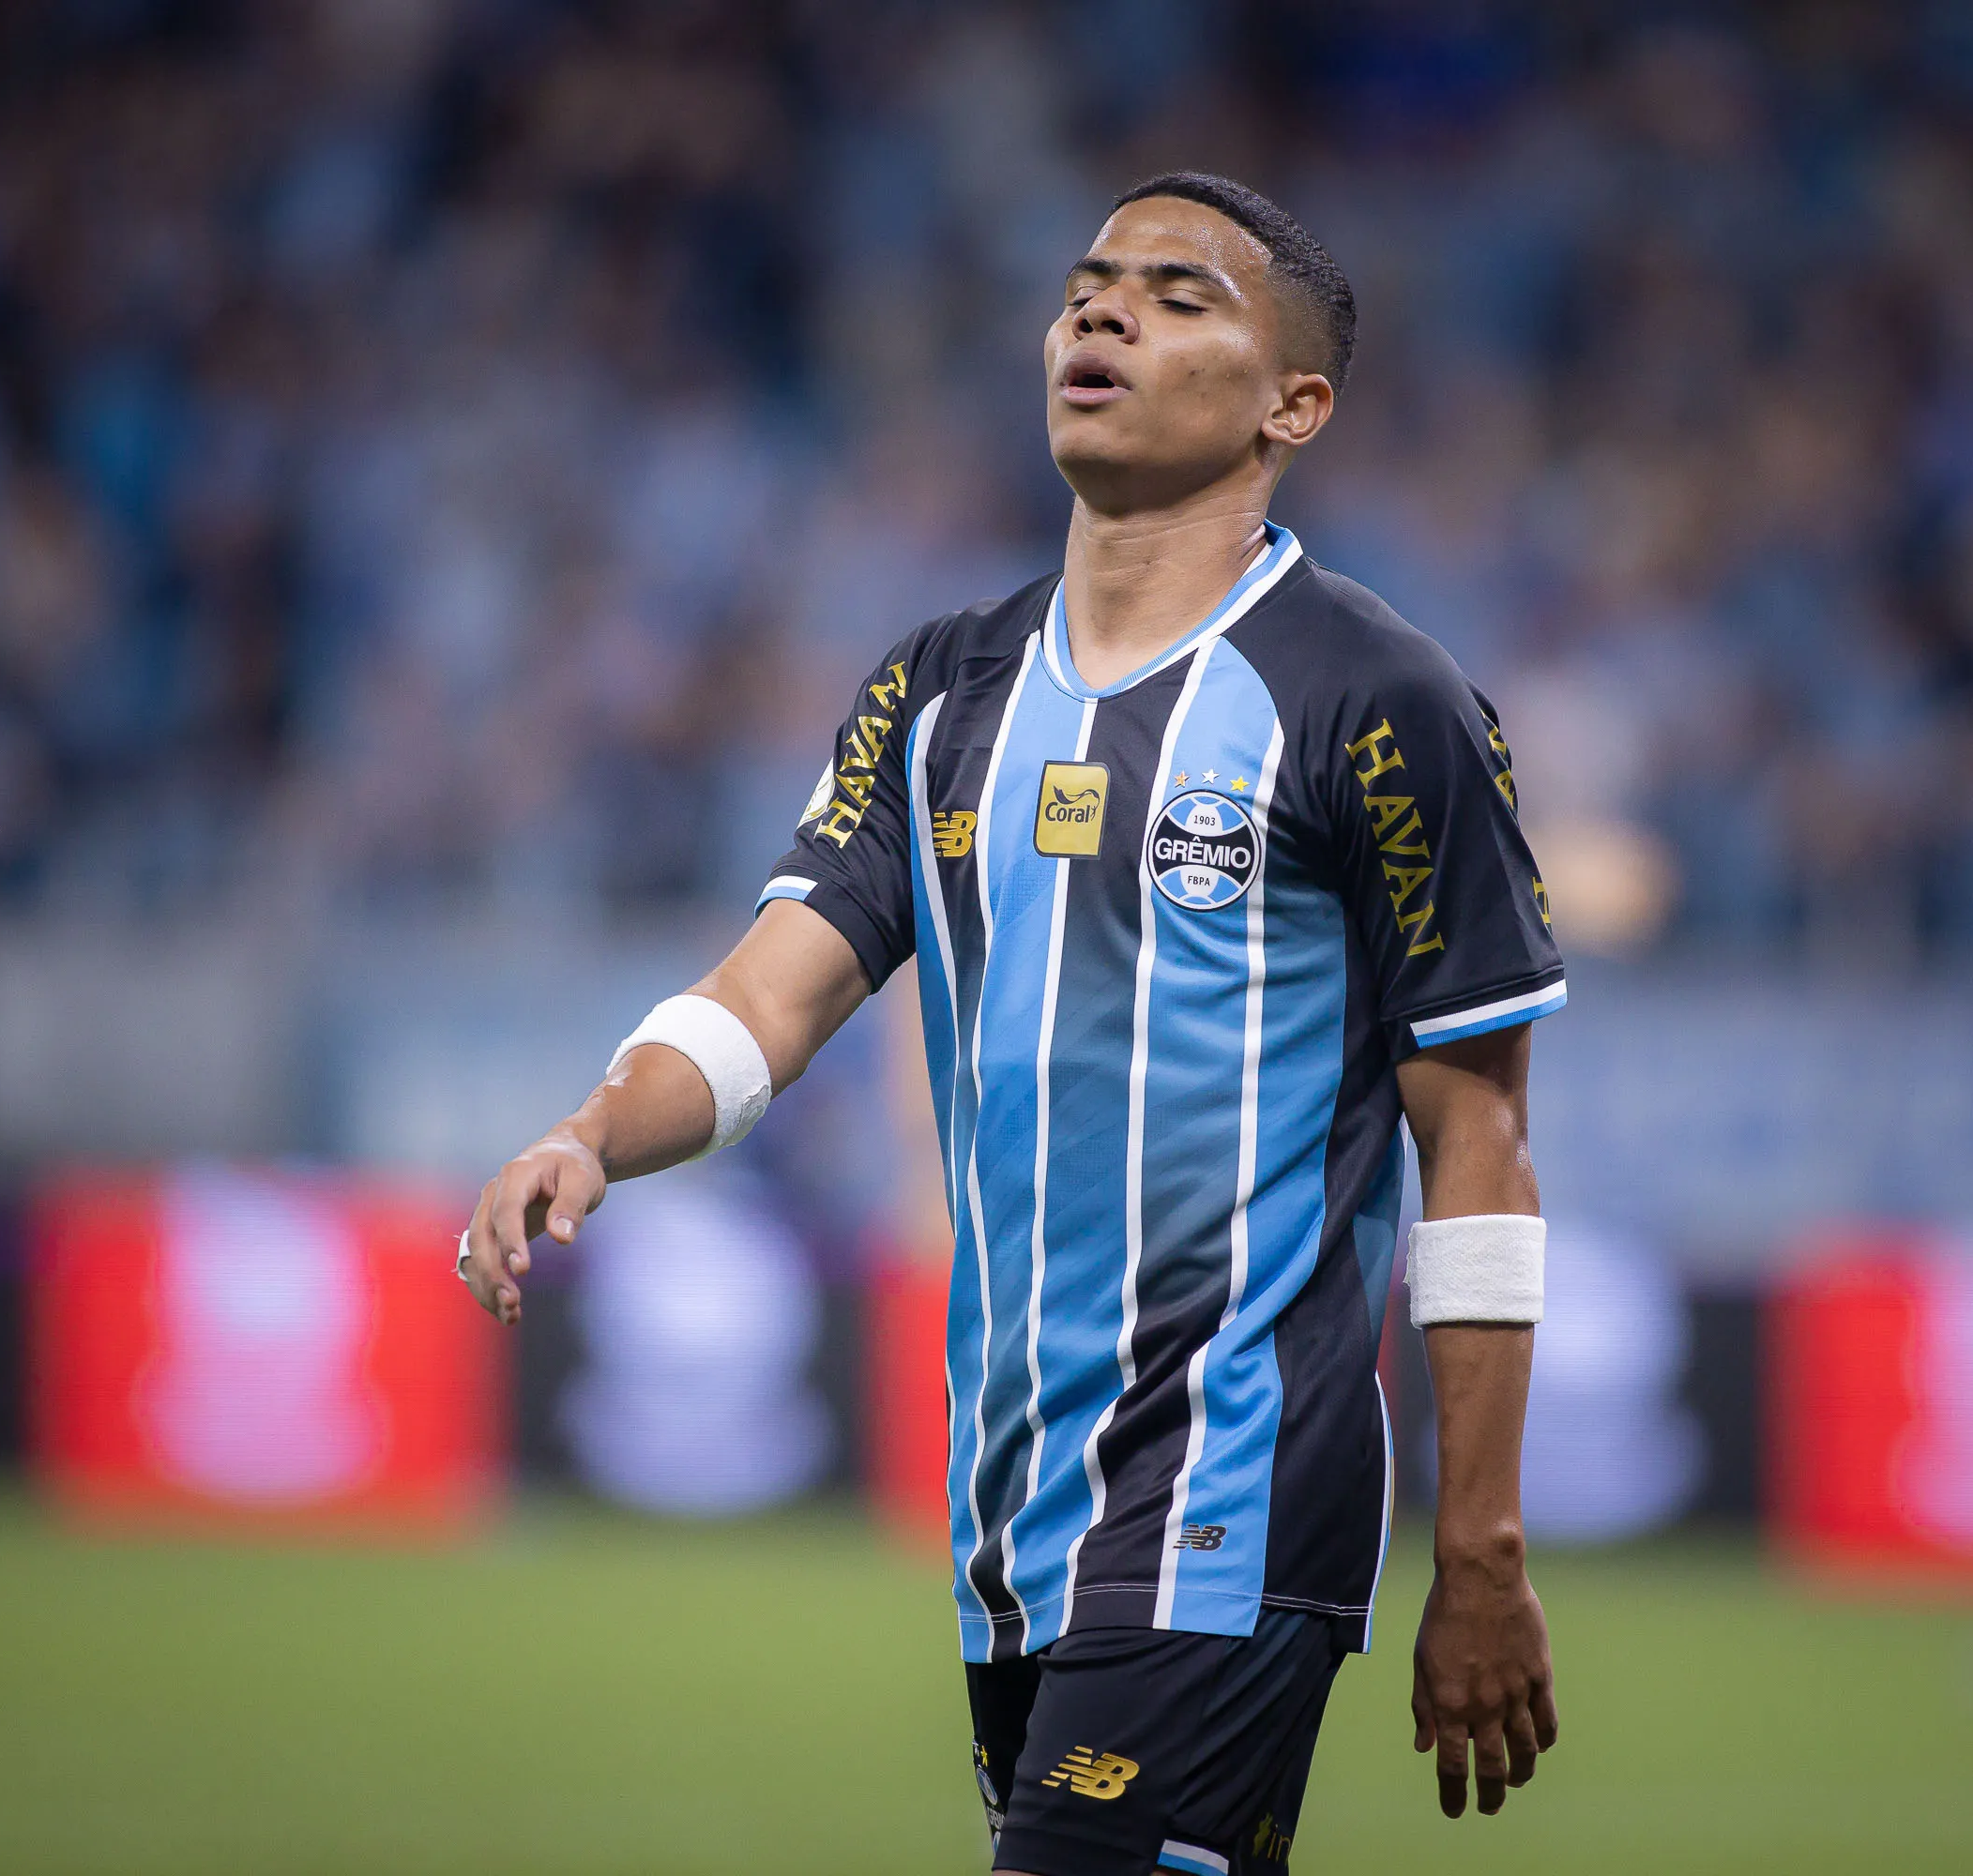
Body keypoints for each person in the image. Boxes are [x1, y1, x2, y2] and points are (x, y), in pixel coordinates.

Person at [461, 173, 1567, 1874]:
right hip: (1013, 1516)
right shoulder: (939, 691)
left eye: (1179, 295)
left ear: (1297, 405)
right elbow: (770, 994)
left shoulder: (1376, 699)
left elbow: (1478, 1147)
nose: (1104, 315)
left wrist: (1479, 1554)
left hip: (1234, 1493)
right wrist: (591, 1127)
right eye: (1088, 286)